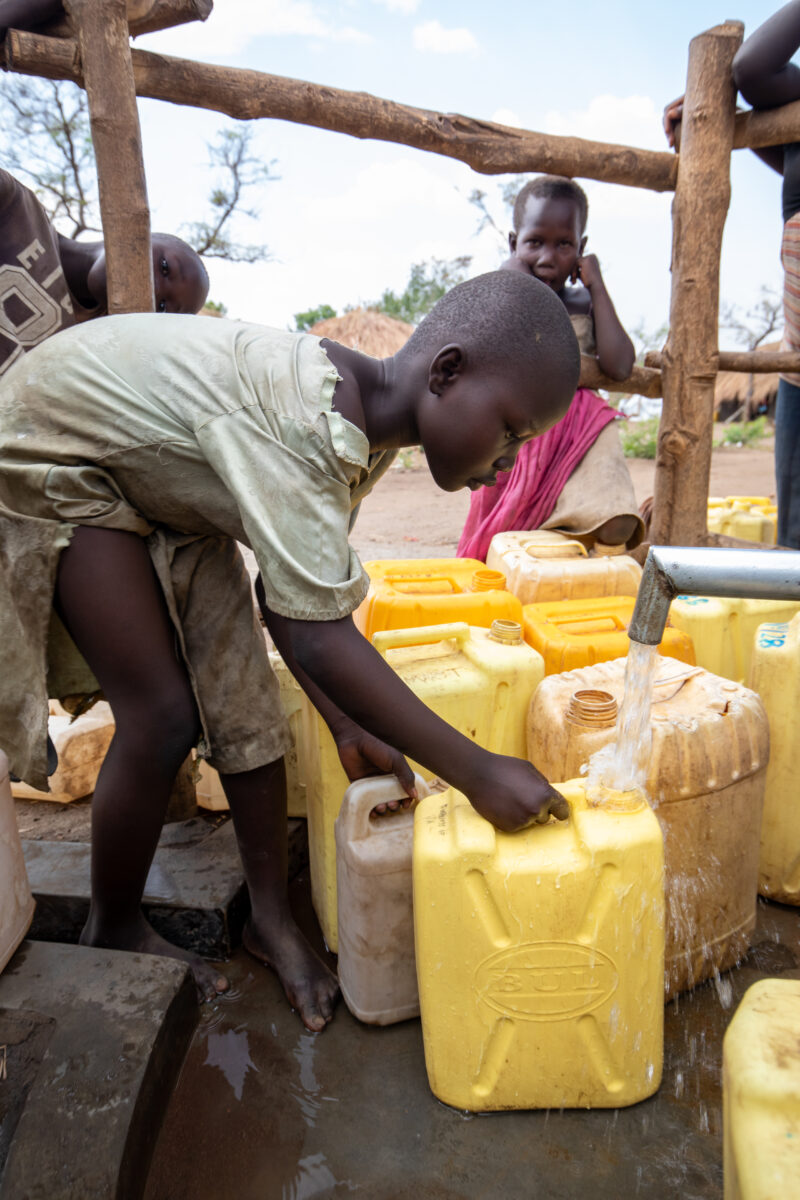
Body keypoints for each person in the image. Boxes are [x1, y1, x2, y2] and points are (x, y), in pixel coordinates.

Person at [0, 270, 578, 1031]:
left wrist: (345, 725)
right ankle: (111, 922)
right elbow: (319, 635)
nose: (506, 463)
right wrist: (476, 772)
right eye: (508, 431)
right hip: (60, 449)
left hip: (162, 479)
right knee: (163, 715)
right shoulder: (307, 422)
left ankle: (268, 921)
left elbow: (291, 600)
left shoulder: (360, 433)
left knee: (246, 703)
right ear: (446, 372)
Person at [664, 1, 800, 548]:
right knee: (795, 546)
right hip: (796, 366)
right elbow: (752, 71)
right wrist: (712, 125)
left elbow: (750, 72)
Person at [458, 176, 642, 562]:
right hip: (520, 434)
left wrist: (597, 286)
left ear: (582, 248)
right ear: (513, 244)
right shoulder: (503, 294)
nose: (547, 256)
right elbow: (502, 351)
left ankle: (604, 571)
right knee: (509, 545)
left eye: (564, 244)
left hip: (579, 433)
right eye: (534, 242)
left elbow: (620, 365)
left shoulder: (583, 302)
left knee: (611, 517)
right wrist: (515, 280)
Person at [0, 167, 210, 376]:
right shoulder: (18, 209)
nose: (153, 289)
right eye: (164, 268)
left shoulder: (90, 360)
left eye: (162, 307)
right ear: (143, 231)